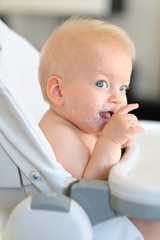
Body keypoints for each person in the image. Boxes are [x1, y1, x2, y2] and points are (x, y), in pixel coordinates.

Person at [38, 17, 160, 240]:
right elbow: (89, 195)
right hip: (92, 226)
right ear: (58, 91)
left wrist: (123, 145)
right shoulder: (59, 134)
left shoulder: (83, 127)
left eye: (123, 87)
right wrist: (111, 141)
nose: (117, 97)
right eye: (102, 83)